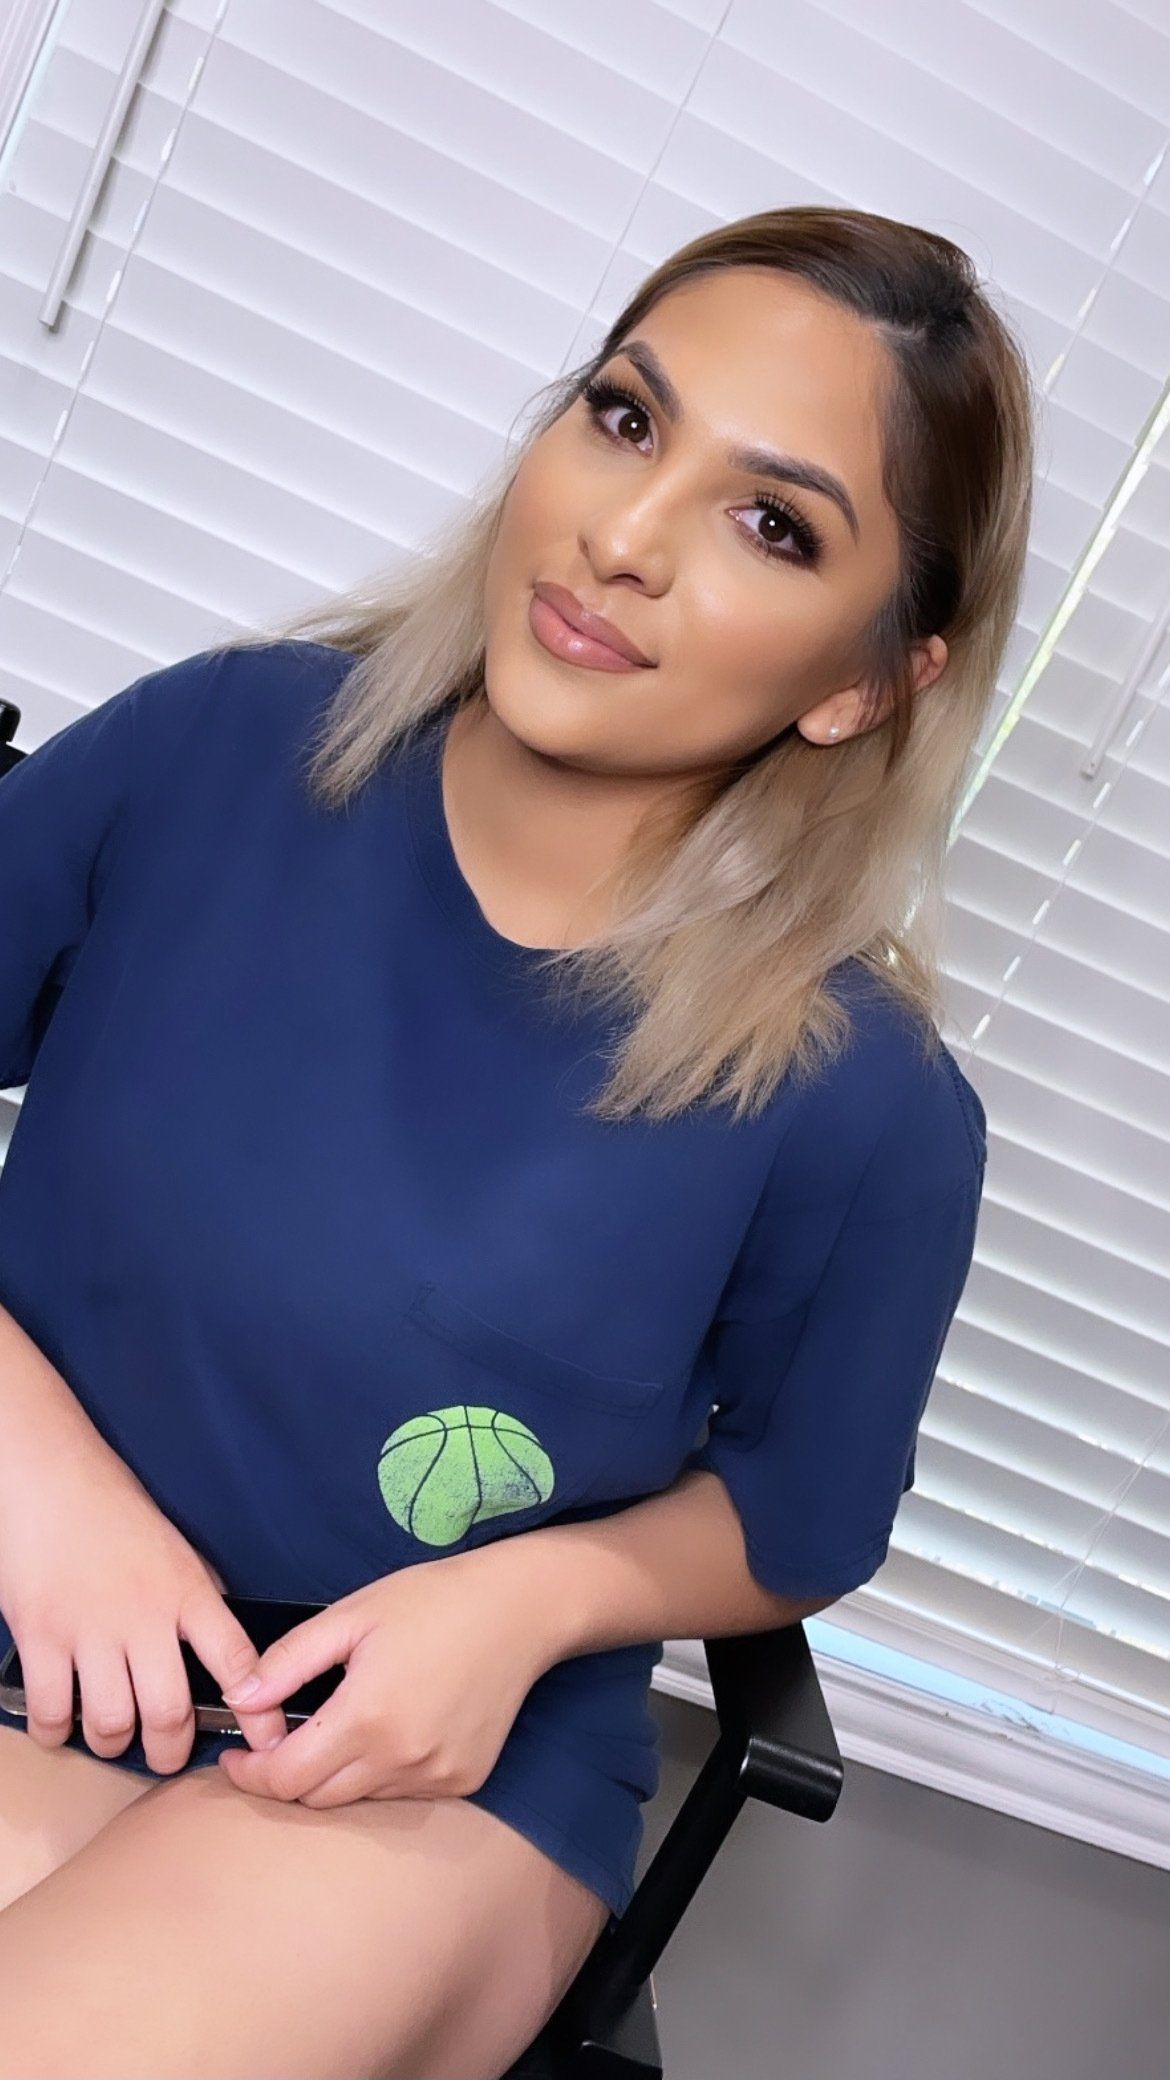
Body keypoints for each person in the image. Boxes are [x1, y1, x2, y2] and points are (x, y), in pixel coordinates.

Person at [0, 204, 1032, 2078]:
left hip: (414, 1761)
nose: (624, 538)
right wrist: (37, 1473)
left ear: (866, 681)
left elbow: (800, 1514)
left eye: (772, 523)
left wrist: (525, 1601)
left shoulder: (861, 1107)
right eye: (626, 419)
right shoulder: (215, 749)